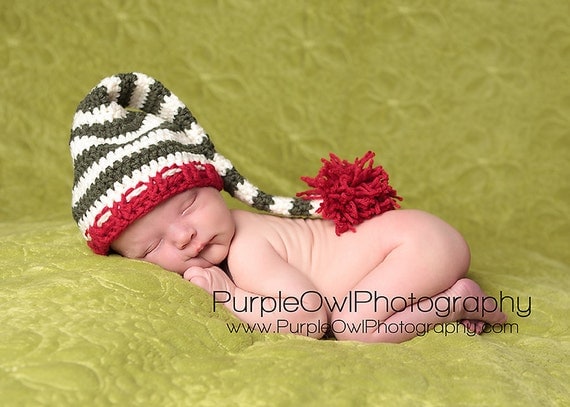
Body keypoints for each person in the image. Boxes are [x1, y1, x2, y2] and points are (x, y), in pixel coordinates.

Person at [70, 73, 507, 343]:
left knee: (356, 329)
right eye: (151, 247)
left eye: (186, 208)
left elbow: (308, 317)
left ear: (215, 187)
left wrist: (229, 295)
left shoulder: (247, 247)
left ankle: (459, 300)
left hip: (414, 245)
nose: (182, 236)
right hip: (412, 244)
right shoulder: (225, 246)